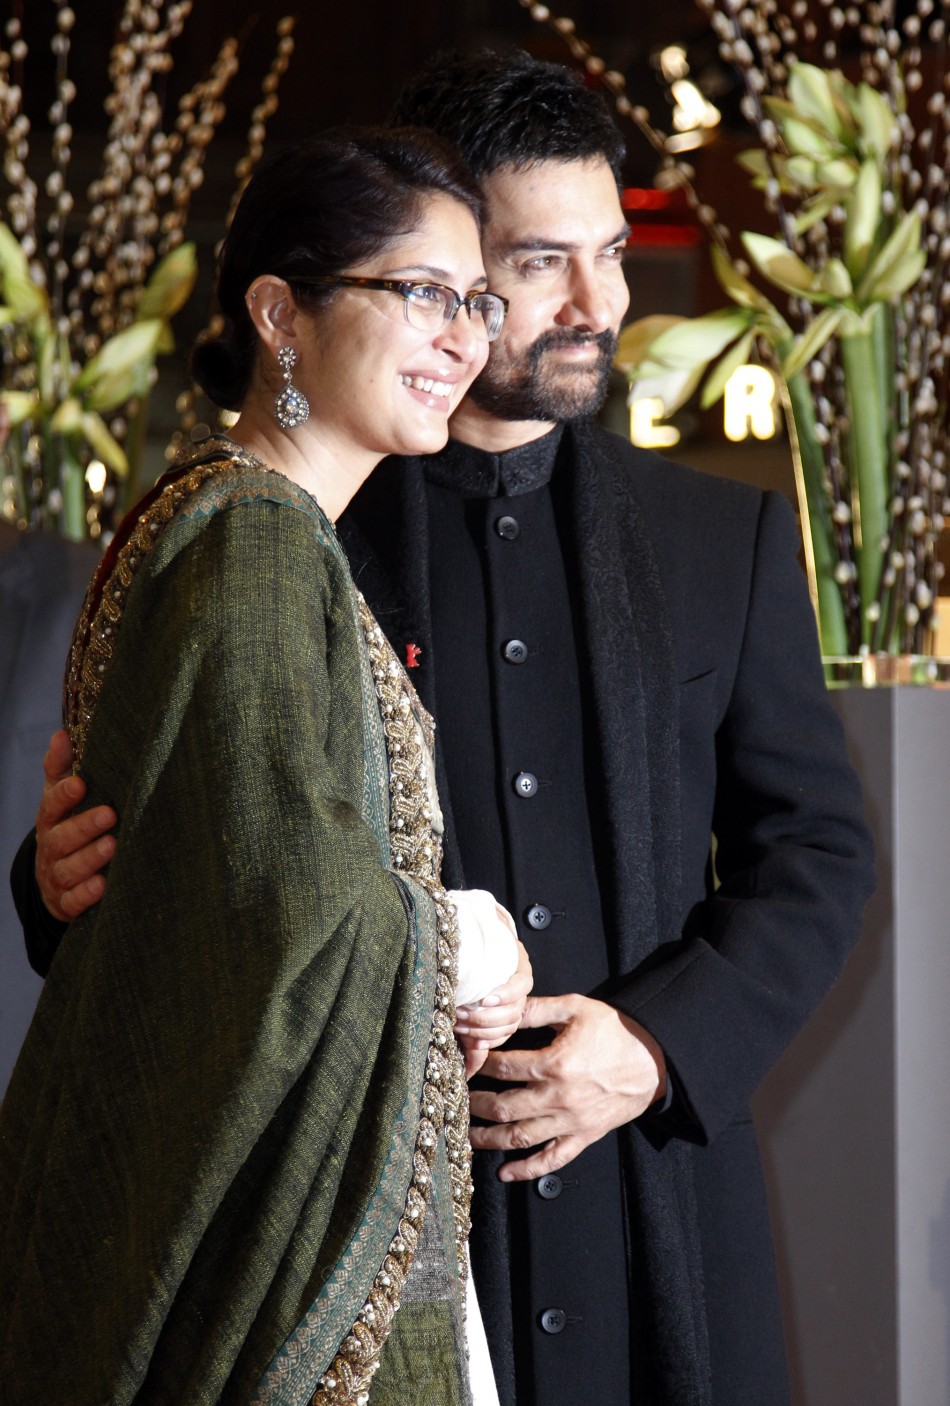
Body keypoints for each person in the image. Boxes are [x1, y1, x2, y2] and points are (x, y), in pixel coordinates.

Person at [12, 50, 876, 1406]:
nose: (604, 302)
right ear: (444, 255)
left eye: (610, 250)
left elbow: (815, 854)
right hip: (359, 1216)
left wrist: (651, 1051)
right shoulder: (293, 523)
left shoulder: (725, 540)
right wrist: (57, 876)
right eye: (540, 264)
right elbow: (207, 863)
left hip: (644, 1212)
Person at [0, 125, 534, 1406]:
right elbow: (283, 914)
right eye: (419, 292)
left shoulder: (218, 514)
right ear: (280, 313)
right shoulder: (256, 545)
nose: (461, 334)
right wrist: (470, 940)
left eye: (472, 298)